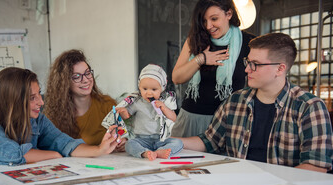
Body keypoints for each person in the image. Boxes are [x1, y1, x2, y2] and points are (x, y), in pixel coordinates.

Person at [180, 32, 333, 173]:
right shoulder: (235, 100)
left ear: (280, 69)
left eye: (255, 64)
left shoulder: (309, 107)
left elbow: (315, 166)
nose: (247, 69)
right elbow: (209, 141)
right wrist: (173, 142)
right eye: (247, 62)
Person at [0, 67, 121, 167]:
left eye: (39, 94)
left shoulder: (37, 120)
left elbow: (64, 142)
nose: (41, 102)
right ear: (11, 101)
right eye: (32, 98)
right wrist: (55, 155)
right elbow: (14, 156)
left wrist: (99, 149)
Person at [171, 0, 255, 137]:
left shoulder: (249, 42)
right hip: (192, 119)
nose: (208, 26)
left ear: (229, 14)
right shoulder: (195, 39)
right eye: (204, 21)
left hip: (229, 122)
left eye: (214, 19)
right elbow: (176, 78)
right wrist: (201, 59)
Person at [43, 49, 125, 150]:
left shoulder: (107, 104)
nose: (86, 80)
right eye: (77, 76)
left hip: (108, 163)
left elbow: (122, 135)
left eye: (87, 73)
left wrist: (123, 142)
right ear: (64, 82)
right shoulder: (54, 115)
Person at [112, 64, 183, 160]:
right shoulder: (137, 101)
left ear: (162, 88)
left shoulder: (165, 101)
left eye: (154, 89)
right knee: (129, 144)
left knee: (178, 143)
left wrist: (164, 108)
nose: (149, 93)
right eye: (144, 89)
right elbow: (127, 116)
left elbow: (174, 118)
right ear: (139, 87)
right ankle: (144, 153)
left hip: (161, 139)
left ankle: (160, 151)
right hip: (142, 139)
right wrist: (124, 113)